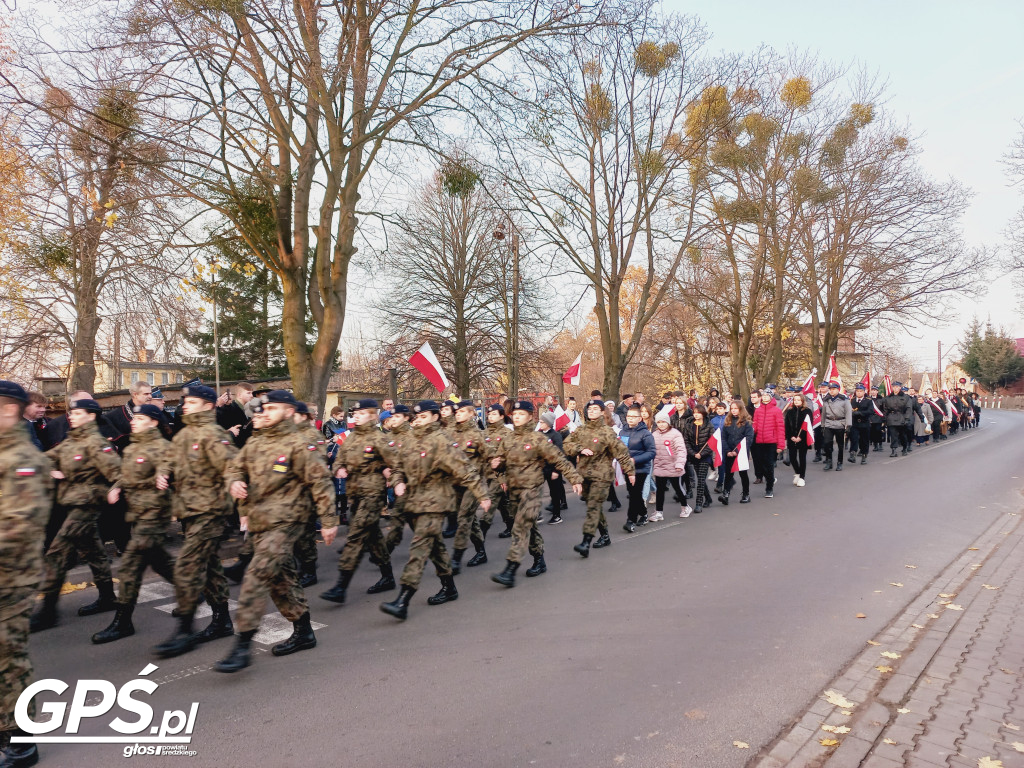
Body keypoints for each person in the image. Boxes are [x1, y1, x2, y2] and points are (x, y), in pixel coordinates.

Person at [211, 390, 340, 673]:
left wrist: (329, 520)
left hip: (287, 522)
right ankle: (304, 632)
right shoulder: (256, 443)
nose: (266, 411)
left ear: (289, 412)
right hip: (260, 522)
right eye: (265, 407)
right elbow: (235, 467)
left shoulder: (298, 444)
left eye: (274, 408)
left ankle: (241, 646)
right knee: (280, 579)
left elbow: (321, 484)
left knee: (256, 576)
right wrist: (234, 483)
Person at [381, 401, 490, 620]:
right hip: (413, 502)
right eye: (417, 417)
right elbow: (397, 467)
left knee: (419, 547)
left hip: (436, 503)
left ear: (434, 417)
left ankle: (403, 598)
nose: (418, 420)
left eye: (423, 417)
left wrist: (482, 494)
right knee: (436, 549)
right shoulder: (411, 439)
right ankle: (449, 587)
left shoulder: (442, 441)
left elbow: (464, 468)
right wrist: (397, 481)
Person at [153, 384, 238, 659]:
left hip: (210, 512)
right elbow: (169, 456)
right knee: (211, 568)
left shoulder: (213, 435)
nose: (185, 405)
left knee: (189, 567)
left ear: (208, 405)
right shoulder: (185, 433)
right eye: (185, 401)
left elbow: (232, 464)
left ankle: (185, 631)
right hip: (189, 511)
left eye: (191, 401)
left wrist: (235, 482)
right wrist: (164, 472)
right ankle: (222, 621)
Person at [31, 397, 122, 632]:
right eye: (71, 413)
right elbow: (44, 459)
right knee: (94, 552)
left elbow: (118, 472)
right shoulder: (71, 441)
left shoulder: (97, 443)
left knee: (55, 554)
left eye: (77, 413)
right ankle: (107, 597)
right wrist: (52, 469)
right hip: (71, 503)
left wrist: (115, 489)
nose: (71, 416)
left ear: (91, 416)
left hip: (87, 505)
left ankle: (48, 612)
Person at [92, 404, 177, 645]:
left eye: (139, 418)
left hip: (155, 512)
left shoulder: (161, 445)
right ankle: (192, 590)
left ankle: (123, 622)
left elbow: (166, 463)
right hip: (137, 512)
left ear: (152, 422)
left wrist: (162, 475)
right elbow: (125, 474)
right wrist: (116, 487)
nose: (133, 421)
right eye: (133, 417)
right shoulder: (132, 447)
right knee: (161, 562)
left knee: (130, 567)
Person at [0, 381, 52, 768]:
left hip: (12, 576)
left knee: (8, 656)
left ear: (10, 411)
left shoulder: (23, 457)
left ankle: (21, 741)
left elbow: (18, 525)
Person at [488, 400, 583, 587]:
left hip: (531, 490)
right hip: (514, 490)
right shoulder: (508, 439)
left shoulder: (538, 439)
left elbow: (559, 459)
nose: (517, 417)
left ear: (531, 417)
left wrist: (575, 478)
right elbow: (500, 463)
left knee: (520, 527)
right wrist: (498, 467)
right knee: (529, 527)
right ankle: (539, 560)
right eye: (515, 414)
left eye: (521, 414)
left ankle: (510, 569)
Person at [321, 399, 397, 604]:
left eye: (362, 412)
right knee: (374, 537)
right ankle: (388, 577)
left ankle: (341, 586)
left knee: (355, 537)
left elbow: (397, 463)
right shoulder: (351, 438)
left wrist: (391, 475)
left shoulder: (379, 439)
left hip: (372, 495)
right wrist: (339, 468)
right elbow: (338, 459)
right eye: (355, 412)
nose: (356, 415)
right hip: (355, 494)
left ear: (372, 416)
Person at [563, 399, 635, 557]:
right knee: (593, 506)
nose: (592, 411)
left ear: (602, 412)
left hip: (601, 476)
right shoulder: (581, 430)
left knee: (593, 506)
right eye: (590, 409)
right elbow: (567, 445)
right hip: (584, 475)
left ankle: (586, 541)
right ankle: (605, 535)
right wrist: (579, 449)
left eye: (596, 409)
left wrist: (630, 472)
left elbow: (621, 452)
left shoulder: (607, 432)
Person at [445, 400, 489, 574]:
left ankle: (456, 558)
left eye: (463, 411)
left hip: (473, 484)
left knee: (463, 518)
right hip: (455, 484)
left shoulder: (478, 435)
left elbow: (490, 454)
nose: (458, 413)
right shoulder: (448, 433)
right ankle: (481, 552)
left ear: (472, 413)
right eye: (457, 411)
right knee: (470, 521)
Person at [618, 406, 656, 532]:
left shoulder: (645, 434)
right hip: (626, 468)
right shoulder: (622, 432)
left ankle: (630, 521)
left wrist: (635, 460)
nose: (630, 419)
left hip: (641, 468)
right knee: (633, 492)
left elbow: (651, 452)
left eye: (633, 417)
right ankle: (644, 514)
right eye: (628, 416)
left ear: (640, 418)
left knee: (634, 494)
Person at [481, 404, 514, 539]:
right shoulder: (484, 433)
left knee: (491, 501)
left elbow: (510, 455)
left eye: (494, 414)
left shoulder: (508, 433)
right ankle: (511, 526)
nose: (491, 416)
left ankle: (480, 536)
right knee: (502, 503)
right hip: (488, 474)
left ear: (501, 416)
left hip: (501, 475)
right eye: (489, 414)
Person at [650, 409, 686, 521]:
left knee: (678, 488)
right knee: (660, 490)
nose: (661, 424)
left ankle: (685, 507)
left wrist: (679, 463)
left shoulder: (675, 434)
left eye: (663, 422)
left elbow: (681, 450)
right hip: (660, 466)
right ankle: (659, 512)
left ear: (668, 422)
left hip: (674, 466)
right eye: (659, 422)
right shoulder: (654, 435)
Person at [751, 389, 785, 498]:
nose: (765, 397)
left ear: (771, 397)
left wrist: (781, 445)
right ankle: (771, 478)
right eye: (763, 396)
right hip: (759, 441)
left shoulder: (776, 410)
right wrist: (750, 431)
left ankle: (769, 488)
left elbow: (780, 428)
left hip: (771, 442)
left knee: (769, 465)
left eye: (767, 396)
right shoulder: (758, 410)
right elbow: (755, 425)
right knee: (760, 464)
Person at [719, 400, 754, 505]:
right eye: (732, 408)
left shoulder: (746, 422)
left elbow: (749, 438)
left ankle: (746, 494)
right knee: (728, 473)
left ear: (740, 409)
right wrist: (728, 450)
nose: (733, 411)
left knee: (743, 473)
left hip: (741, 452)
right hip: (729, 451)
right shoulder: (728, 421)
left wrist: (738, 451)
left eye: (736, 408)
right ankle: (726, 494)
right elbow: (723, 437)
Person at [105, 380, 153, 453]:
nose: (150, 396)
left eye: (150, 393)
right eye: (146, 394)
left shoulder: (153, 412)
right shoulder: (113, 416)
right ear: (135, 395)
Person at [682, 405, 714, 513]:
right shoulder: (689, 425)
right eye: (694, 412)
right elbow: (686, 441)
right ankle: (708, 498)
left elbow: (711, 443)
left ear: (703, 414)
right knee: (701, 478)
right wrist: (692, 453)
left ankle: (698, 503)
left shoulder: (709, 425)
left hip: (705, 456)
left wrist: (703, 453)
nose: (696, 414)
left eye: (698, 412)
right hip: (694, 455)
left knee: (700, 479)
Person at [537, 412, 567, 524]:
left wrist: (556, 470)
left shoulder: (555, 435)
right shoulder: (538, 434)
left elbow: (560, 454)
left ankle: (557, 515)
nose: (540, 424)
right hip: (540, 468)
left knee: (554, 493)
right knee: (535, 491)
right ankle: (536, 514)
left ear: (548, 423)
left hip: (553, 468)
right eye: (539, 421)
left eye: (542, 422)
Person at [819, 381, 852, 471]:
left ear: (838, 389)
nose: (832, 391)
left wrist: (848, 425)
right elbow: (824, 414)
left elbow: (848, 413)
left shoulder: (844, 400)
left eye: (833, 389)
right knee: (827, 443)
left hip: (840, 423)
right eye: (830, 389)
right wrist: (822, 425)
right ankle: (829, 461)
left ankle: (839, 462)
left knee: (840, 445)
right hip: (829, 423)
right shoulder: (826, 400)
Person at [784, 393, 813, 487]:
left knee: (802, 458)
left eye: (798, 400)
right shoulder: (789, 411)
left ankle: (802, 477)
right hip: (792, 438)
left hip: (802, 439)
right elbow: (787, 425)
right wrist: (791, 436)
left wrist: (800, 437)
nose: (796, 401)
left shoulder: (807, 411)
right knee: (792, 458)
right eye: (795, 400)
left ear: (802, 401)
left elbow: (808, 426)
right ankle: (798, 472)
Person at [217, 382, 255, 447]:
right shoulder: (230, 408)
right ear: (239, 395)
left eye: (251, 393)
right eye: (248, 393)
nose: (251, 395)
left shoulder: (249, 409)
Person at [883, 383, 911, 457]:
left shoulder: (905, 397)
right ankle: (894, 450)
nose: (895, 388)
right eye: (894, 387)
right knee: (893, 435)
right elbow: (885, 409)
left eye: (897, 387)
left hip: (902, 417)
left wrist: (907, 418)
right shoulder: (888, 397)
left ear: (900, 388)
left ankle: (904, 448)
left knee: (903, 435)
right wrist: (885, 419)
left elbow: (908, 408)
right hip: (891, 418)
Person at [849, 384, 873, 465]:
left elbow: (870, 411)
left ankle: (864, 456)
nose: (859, 393)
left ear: (864, 392)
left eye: (860, 391)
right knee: (854, 439)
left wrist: (860, 413)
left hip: (864, 423)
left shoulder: (868, 400)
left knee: (864, 440)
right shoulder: (852, 400)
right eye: (857, 391)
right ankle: (853, 454)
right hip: (854, 423)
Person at [868, 385, 885, 450]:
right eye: (872, 390)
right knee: (873, 432)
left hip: (879, 417)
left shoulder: (881, 399)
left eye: (874, 390)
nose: (873, 392)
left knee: (879, 431)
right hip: (871, 417)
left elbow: (884, 409)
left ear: (877, 391)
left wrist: (884, 418)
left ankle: (880, 444)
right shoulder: (868, 399)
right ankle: (875, 445)